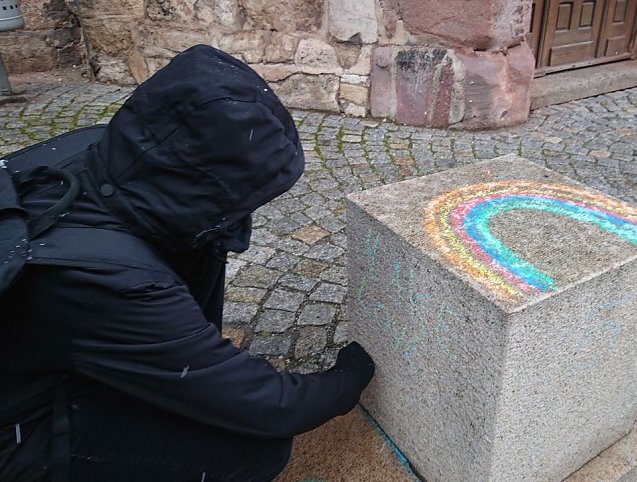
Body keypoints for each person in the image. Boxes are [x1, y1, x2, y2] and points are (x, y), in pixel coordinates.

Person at [0, 45, 375, 482]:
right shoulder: (115, 283)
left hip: (35, 356)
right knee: (252, 449)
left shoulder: (96, 150)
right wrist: (353, 376)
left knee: (205, 248)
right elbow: (271, 406)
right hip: (17, 430)